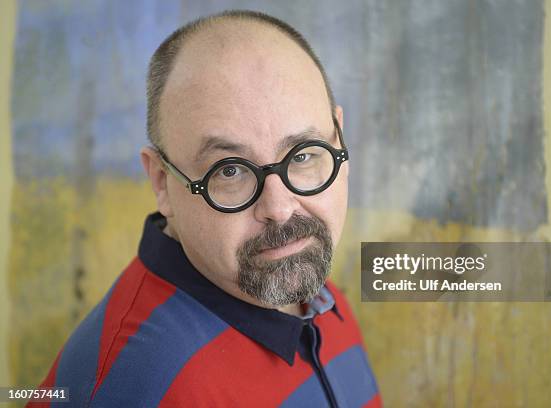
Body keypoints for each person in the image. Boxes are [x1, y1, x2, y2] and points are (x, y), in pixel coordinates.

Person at [30, 10, 380, 407]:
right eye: (230, 170)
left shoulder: (310, 285)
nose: (280, 209)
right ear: (162, 181)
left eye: (303, 155)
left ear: (339, 139)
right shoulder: (130, 387)